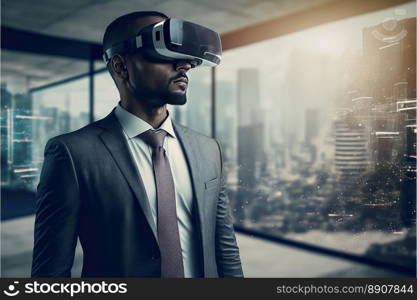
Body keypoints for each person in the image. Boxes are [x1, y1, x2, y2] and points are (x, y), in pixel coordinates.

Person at [31, 11, 243, 278]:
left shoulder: (209, 149)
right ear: (121, 66)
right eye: (165, 53)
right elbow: (50, 272)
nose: (185, 66)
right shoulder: (72, 154)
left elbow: (224, 247)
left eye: (186, 58)